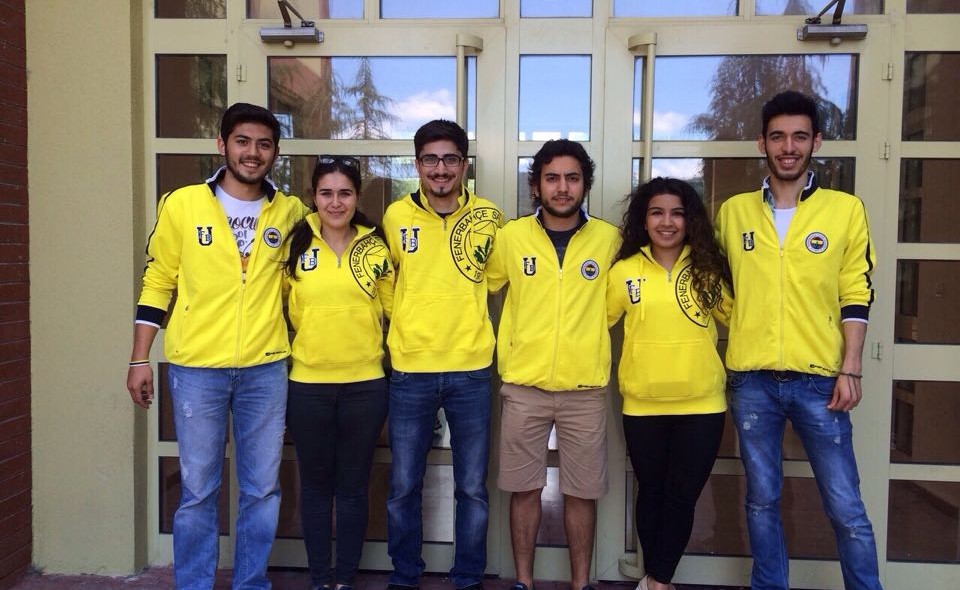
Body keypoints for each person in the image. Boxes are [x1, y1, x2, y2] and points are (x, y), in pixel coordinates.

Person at [125, 103, 307, 590]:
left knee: (262, 489)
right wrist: (140, 357)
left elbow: (304, 284)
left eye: (264, 144)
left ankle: (250, 583)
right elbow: (158, 282)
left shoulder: (291, 212)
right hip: (197, 369)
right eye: (242, 141)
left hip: (265, 369)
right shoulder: (182, 204)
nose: (253, 152)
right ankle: (194, 585)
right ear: (221, 144)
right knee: (198, 491)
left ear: (275, 152)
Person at [715, 90, 882, 590]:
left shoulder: (844, 210)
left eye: (799, 137)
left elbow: (856, 290)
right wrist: (747, 327)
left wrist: (851, 366)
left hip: (820, 382)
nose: (788, 147)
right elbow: (719, 288)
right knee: (761, 500)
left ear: (816, 142)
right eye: (778, 137)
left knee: (846, 506)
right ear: (761, 143)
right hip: (752, 380)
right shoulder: (734, 213)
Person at [485, 139, 619, 590]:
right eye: (552, 178)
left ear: (585, 185)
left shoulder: (609, 240)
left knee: (581, 492)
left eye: (572, 178)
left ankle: (581, 584)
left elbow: (619, 303)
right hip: (524, 386)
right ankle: (524, 581)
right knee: (524, 488)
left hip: (585, 389)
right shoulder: (511, 238)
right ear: (536, 186)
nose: (563, 188)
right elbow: (479, 287)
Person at [381, 119, 504, 590]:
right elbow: (388, 282)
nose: (440, 169)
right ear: (417, 165)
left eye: (450, 159)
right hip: (410, 369)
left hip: (471, 369)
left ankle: (468, 575)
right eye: (430, 159)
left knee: (471, 486)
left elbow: (498, 279)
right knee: (404, 485)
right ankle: (405, 573)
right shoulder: (395, 217)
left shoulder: (489, 217)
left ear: (464, 165)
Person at [607, 177, 732, 590]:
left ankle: (657, 581)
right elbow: (594, 324)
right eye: (657, 213)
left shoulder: (708, 270)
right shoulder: (623, 272)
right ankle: (658, 581)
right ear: (643, 220)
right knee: (651, 493)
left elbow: (740, 318)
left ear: (689, 219)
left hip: (702, 405)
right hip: (643, 405)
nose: (667, 222)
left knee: (682, 496)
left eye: (677, 213)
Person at [282, 156, 394, 590]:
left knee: (352, 488)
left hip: (365, 386)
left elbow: (395, 309)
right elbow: (272, 308)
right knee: (314, 488)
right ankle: (319, 578)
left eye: (344, 193)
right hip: (307, 386)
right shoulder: (293, 245)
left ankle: (344, 578)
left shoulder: (375, 247)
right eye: (326, 193)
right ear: (314, 197)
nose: (335, 202)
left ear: (357, 196)